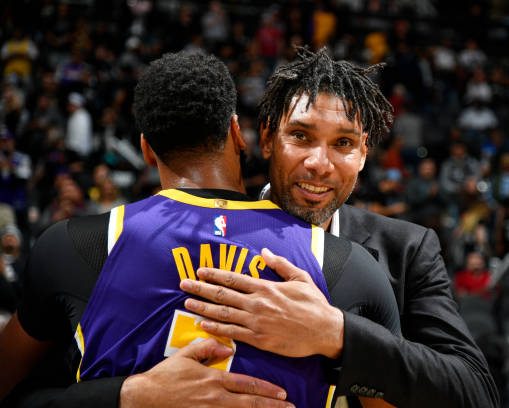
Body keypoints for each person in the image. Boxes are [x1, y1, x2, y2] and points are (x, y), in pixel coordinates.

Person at [0, 51, 400, 408]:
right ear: (237, 132)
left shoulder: (74, 247)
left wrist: (125, 396)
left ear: (146, 149)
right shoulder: (349, 268)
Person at [180, 47, 500, 406]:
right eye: (301, 136)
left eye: (343, 143)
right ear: (268, 139)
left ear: (363, 153)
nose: (320, 164)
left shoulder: (407, 249)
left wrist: (337, 335)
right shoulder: (200, 232)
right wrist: (129, 394)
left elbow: (476, 393)